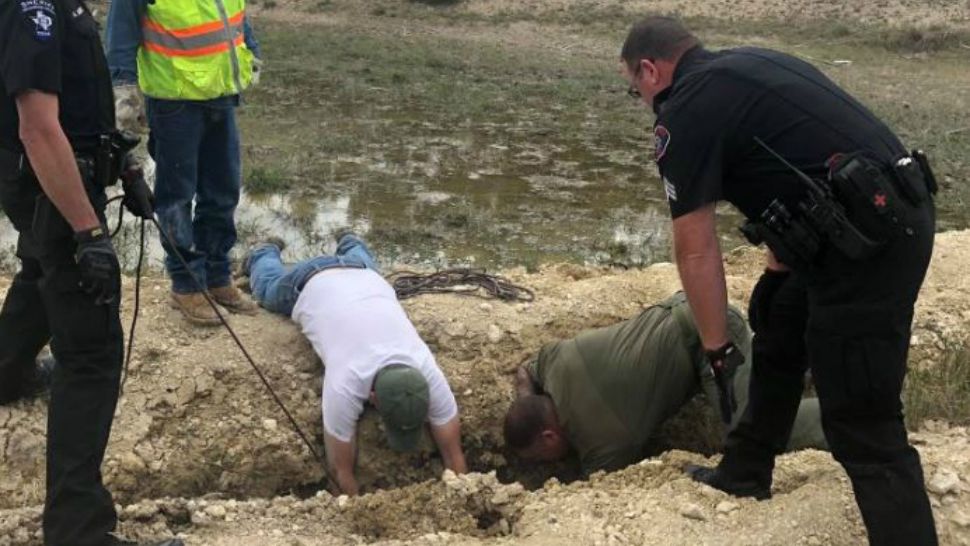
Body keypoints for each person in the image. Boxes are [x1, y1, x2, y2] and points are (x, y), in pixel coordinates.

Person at [619, 16, 938, 545]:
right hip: (874, 218)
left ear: (650, 70)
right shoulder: (746, 63)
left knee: (862, 421)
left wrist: (717, 348)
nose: (644, 102)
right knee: (780, 317)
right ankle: (745, 471)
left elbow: (695, 248)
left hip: (870, 248)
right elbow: (796, 164)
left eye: (636, 91)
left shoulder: (684, 113)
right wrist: (779, 264)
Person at [0, 0, 179, 544]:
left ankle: (6, 373)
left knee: (38, 270)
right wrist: (88, 231)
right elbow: (37, 127)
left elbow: (80, 102)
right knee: (92, 356)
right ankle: (78, 530)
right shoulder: (33, 9)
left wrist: (122, 165)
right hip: (53, 191)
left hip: (56, 187)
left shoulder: (64, 6)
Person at [240, 233, 468, 495]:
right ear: (373, 398)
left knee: (359, 258)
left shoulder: (428, 371)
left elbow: (455, 460)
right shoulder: (345, 381)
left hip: (363, 274)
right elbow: (339, 473)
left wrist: (461, 500)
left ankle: (351, 240)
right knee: (267, 286)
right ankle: (263, 252)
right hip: (306, 280)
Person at [504, 292, 826, 475]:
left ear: (549, 435)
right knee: (760, 380)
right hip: (694, 301)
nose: (546, 462)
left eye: (540, 456)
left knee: (752, 431)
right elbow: (524, 373)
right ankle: (806, 365)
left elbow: (598, 480)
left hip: (710, 338)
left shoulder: (604, 441)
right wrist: (526, 403)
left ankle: (845, 415)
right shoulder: (554, 362)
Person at [106, 0, 263, 326]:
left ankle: (218, 277)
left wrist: (252, 49)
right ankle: (187, 284)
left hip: (220, 95)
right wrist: (124, 90)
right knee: (177, 198)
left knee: (223, 192)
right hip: (174, 102)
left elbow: (234, 16)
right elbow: (121, 36)